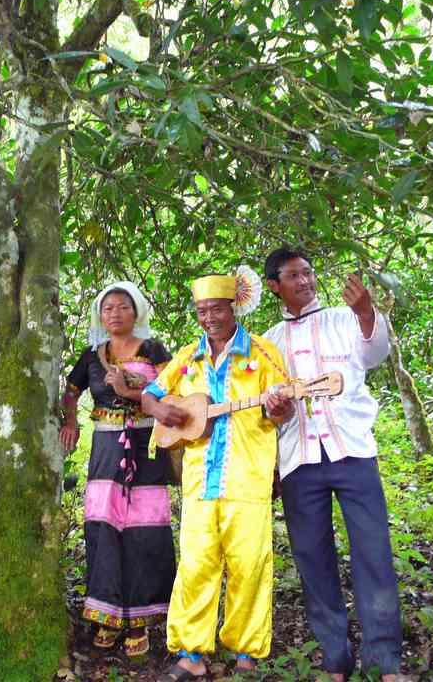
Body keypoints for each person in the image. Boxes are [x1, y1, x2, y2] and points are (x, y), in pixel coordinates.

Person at [142, 269, 292, 680]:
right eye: (202, 310)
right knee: (195, 564)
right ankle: (192, 653)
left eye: (216, 309)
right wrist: (163, 410)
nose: (209, 317)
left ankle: (246, 649)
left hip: (247, 477)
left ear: (233, 308)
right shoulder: (187, 356)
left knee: (249, 563)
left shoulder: (262, 352)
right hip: (198, 482)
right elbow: (149, 395)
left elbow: (285, 406)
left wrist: (280, 407)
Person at [262, 247, 403, 681]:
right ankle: (335, 657)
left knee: (374, 552)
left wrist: (365, 312)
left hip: (353, 452)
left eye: (308, 273)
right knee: (312, 559)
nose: (304, 281)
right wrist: (276, 409)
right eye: (293, 275)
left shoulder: (344, 318)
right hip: (299, 461)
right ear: (274, 286)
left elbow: (375, 351)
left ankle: (383, 660)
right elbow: (269, 410)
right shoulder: (270, 342)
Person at [59, 282, 175, 660]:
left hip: (146, 446)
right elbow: (71, 390)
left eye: (122, 307)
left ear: (136, 310)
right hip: (106, 448)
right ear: (100, 315)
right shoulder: (93, 355)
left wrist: (135, 389)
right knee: (104, 527)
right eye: (107, 309)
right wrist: (71, 421)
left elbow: (176, 387)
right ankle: (107, 616)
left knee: (143, 530)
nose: (114, 314)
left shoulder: (153, 349)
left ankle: (139, 619)